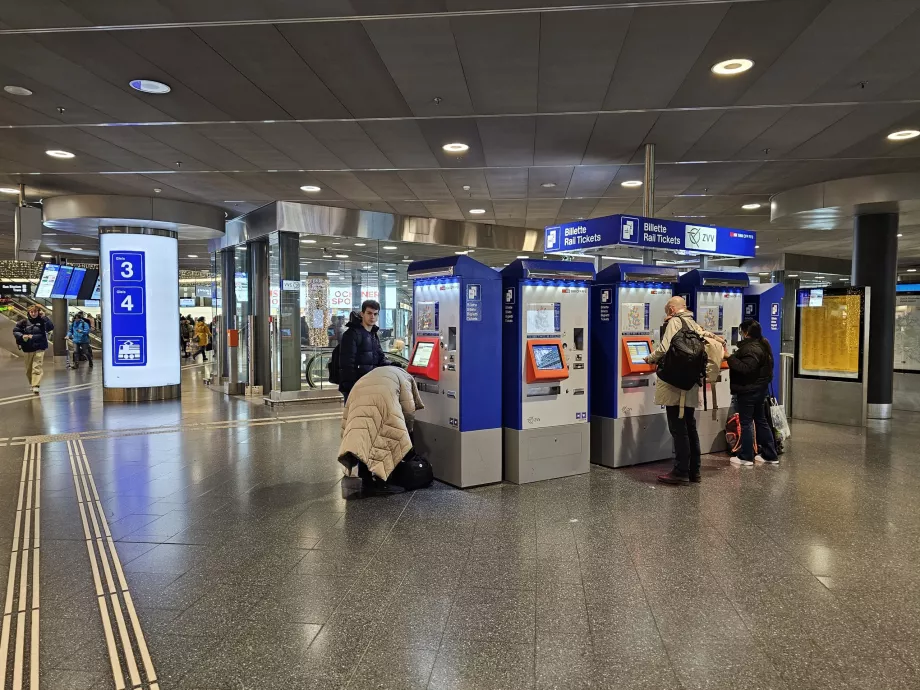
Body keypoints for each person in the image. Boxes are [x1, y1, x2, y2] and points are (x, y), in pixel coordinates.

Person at [647, 296, 706, 486]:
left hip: (674, 382)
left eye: (666, 310)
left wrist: (649, 358)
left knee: (678, 428)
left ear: (672, 310)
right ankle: (694, 471)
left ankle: (680, 471)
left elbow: (663, 348)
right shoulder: (694, 323)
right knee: (690, 426)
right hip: (690, 382)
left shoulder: (674, 322)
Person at [338, 365, 424, 495]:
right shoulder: (406, 377)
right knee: (384, 437)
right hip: (381, 399)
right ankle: (381, 483)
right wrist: (410, 429)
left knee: (363, 434)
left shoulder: (381, 372)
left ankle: (366, 479)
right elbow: (409, 409)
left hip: (357, 392)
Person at [726, 319, 779, 466]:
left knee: (747, 422)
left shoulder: (751, 348)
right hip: (760, 390)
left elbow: (746, 369)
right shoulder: (763, 345)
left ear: (746, 332)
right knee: (761, 421)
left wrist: (728, 357)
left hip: (748, 391)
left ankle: (746, 456)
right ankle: (770, 454)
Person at [337, 300, 388, 401]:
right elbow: (346, 363)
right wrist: (352, 386)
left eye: (375, 314)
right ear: (362, 314)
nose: (372, 317)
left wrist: (394, 365)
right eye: (369, 313)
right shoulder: (352, 334)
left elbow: (380, 357)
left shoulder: (373, 334)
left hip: (371, 384)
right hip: (356, 386)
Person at [13, 305, 54, 394]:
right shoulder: (23, 322)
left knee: (37, 367)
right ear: (28, 312)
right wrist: (22, 336)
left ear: (38, 312)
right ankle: (32, 383)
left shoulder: (43, 321)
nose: (33, 313)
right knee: (28, 369)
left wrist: (44, 317)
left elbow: (51, 327)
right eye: (31, 312)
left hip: (40, 347)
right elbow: (16, 331)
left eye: (35, 311)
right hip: (27, 347)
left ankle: (36, 385)